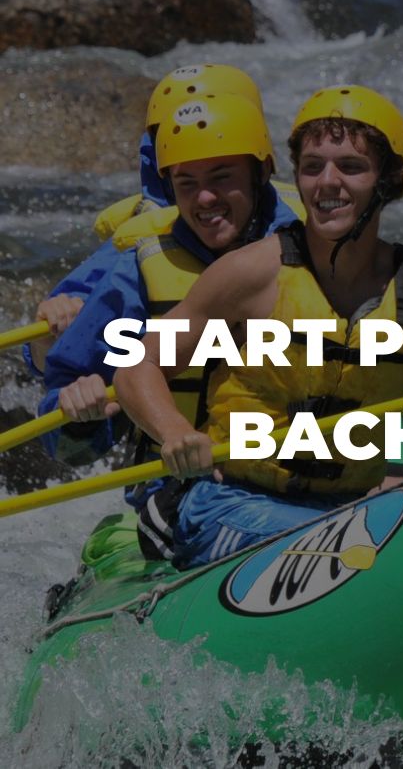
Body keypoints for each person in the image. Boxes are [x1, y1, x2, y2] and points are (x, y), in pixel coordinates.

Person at [114, 85, 403, 569]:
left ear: (388, 180)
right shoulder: (253, 273)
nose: (327, 183)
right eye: (312, 167)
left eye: (350, 167)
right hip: (233, 502)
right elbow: (136, 366)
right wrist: (176, 431)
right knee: (355, 553)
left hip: (351, 508)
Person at [36, 92, 304, 557]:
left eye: (222, 177)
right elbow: (65, 443)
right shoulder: (139, 271)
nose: (205, 198)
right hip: (187, 494)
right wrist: (79, 416)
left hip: (306, 482)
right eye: (186, 184)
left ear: (262, 172)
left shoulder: (322, 249)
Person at [24, 64, 303, 375]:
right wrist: (48, 337)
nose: (198, 138)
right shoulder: (143, 246)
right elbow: (60, 364)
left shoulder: (313, 225)